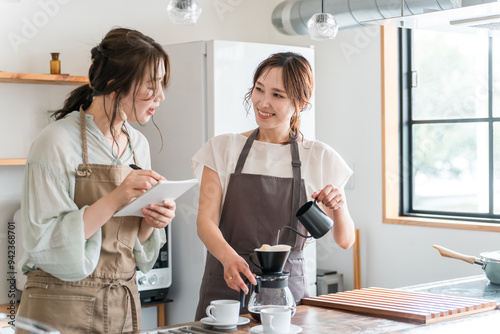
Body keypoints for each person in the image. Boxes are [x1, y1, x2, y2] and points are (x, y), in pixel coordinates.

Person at [16, 28, 175, 334]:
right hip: (60, 305)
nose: (160, 97)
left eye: (162, 85)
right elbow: (43, 243)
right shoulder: (54, 142)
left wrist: (151, 221)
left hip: (120, 301)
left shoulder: (137, 144)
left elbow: (128, 243)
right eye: (151, 86)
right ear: (115, 84)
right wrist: (116, 197)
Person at [192, 52, 356, 320]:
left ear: (300, 103)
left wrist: (339, 206)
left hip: (286, 292)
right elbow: (204, 221)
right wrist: (228, 258)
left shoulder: (319, 156)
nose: (263, 102)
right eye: (259, 89)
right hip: (227, 282)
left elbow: (345, 240)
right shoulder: (222, 148)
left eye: (277, 95)